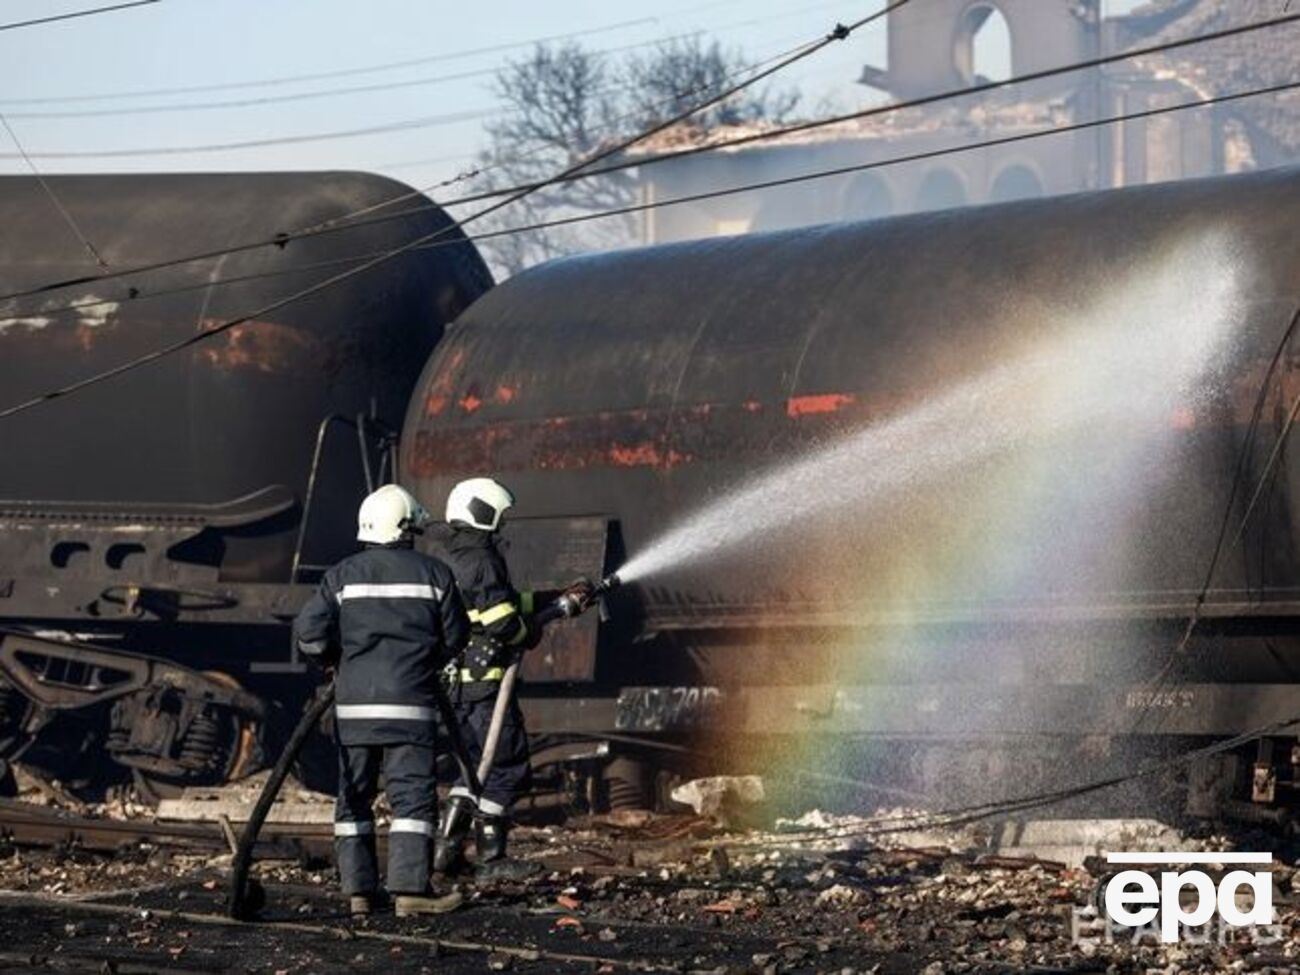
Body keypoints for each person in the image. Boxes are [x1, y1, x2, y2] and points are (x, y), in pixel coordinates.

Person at [293, 484, 470, 918]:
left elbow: (309, 633)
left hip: (353, 709)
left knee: (353, 799)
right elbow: (457, 638)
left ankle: (359, 893)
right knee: (411, 801)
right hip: (411, 707)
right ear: (407, 527)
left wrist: (335, 659)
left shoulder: (342, 575)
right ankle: (409, 891)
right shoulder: (435, 574)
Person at [431, 477, 593, 878]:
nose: (502, 524)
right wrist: (542, 621)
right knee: (507, 766)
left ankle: (446, 852)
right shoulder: (483, 558)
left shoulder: (452, 554)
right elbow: (504, 624)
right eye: (498, 515)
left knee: (473, 769)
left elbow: (499, 600)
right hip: (485, 685)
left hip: (458, 688)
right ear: (483, 512)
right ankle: (491, 859)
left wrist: (551, 597)